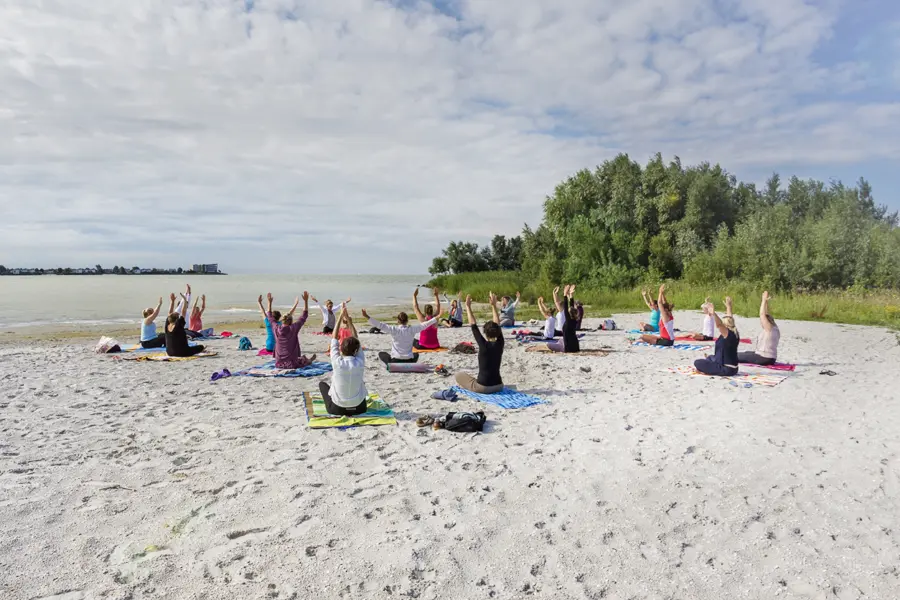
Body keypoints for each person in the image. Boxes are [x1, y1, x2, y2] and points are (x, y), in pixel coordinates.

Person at [320, 305, 367, 416]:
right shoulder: (360, 361)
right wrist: (349, 321)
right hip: (360, 408)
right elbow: (356, 339)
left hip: (337, 409)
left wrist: (340, 316)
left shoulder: (337, 362)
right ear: (356, 350)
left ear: (341, 349)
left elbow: (334, 338)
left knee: (322, 385)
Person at [455, 293, 504, 394]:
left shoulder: (484, 345)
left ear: (485, 333)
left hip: (483, 387)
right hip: (499, 386)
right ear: (498, 332)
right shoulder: (500, 343)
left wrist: (468, 307)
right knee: (472, 378)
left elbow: (473, 325)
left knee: (459, 375)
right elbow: (497, 325)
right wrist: (493, 306)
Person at [363, 307, 437, 365]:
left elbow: (379, 325)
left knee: (381, 354)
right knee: (416, 354)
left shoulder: (394, 329)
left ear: (398, 321)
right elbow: (425, 324)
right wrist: (436, 317)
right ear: (407, 320)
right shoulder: (412, 329)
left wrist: (367, 316)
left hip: (395, 360)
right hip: (409, 360)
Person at [266, 293, 314, 369]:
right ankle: (308, 361)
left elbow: (269, 316)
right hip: (292, 363)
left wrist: (269, 302)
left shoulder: (276, 327)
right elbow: (304, 316)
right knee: (302, 360)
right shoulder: (293, 328)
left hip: (279, 364)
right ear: (291, 321)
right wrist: (306, 301)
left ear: (282, 320)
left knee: (301, 359)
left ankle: (307, 360)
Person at [693, 298, 740, 376]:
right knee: (711, 357)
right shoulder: (735, 332)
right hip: (734, 369)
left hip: (726, 369)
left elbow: (719, 325)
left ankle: (705, 370)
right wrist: (729, 307)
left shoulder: (727, 334)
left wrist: (714, 313)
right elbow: (730, 319)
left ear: (726, 326)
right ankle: (710, 364)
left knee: (697, 362)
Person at [738, 291, 780, 366]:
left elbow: (762, 314)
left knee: (735, 356)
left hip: (764, 358)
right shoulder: (774, 327)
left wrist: (763, 300)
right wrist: (766, 302)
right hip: (771, 358)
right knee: (746, 353)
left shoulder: (768, 328)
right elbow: (767, 314)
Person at [165, 291, 206, 357]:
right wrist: (184, 300)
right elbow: (183, 311)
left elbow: (170, 313)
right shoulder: (178, 325)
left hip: (169, 352)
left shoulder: (167, 325)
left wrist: (172, 301)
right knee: (201, 347)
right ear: (177, 319)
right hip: (182, 352)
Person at [548, 286, 580, 353]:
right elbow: (571, 306)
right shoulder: (574, 320)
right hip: (575, 347)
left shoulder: (568, 320)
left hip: (568, 348)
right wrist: (570, 294)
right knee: (560, 340)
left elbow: (566, 306)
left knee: (548, 345)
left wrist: (565, 294)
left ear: (569, 313)